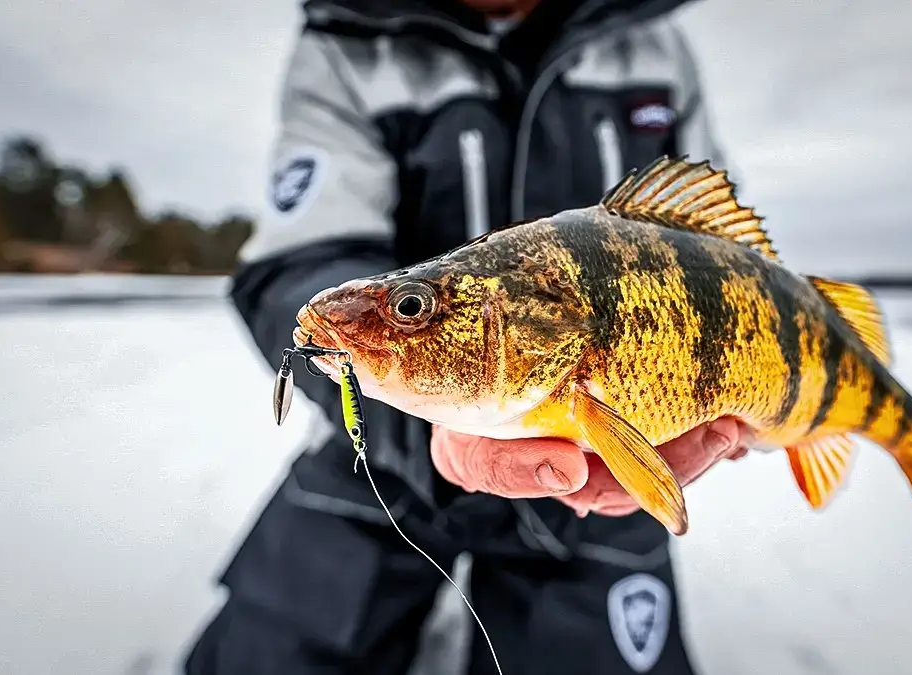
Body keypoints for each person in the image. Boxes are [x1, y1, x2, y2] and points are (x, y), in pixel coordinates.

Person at [184, 0, 754, 673]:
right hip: (382, 450)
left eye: (410, 306)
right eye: (412, 305)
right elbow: (302, 259)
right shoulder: (348, 41)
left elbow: (723, 255)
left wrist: (763, 402)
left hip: (604, 457)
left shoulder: (656, 46)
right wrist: (419, 432)